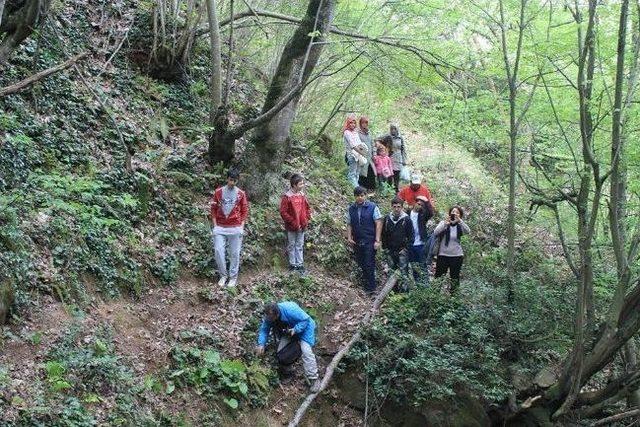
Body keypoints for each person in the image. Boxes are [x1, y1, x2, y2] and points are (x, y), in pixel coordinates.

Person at [256, 301, 321, 392]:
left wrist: (296, 329)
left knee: (306, 351)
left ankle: (314, 378)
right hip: (289, 332)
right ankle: (289, 372)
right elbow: (264, 330)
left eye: (272, 318)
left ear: (277, 314)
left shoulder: (290, 309)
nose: (270, 320)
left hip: (305, 329)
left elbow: (305, 320)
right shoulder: (269, 317)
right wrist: (261, 344)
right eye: (269, 318)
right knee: (281, 353)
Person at [210, 169, 249, 288]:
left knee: (235, 253)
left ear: (237, 181)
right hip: (220, 227)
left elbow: (244, 210)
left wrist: (241, 226)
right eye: (231, 180)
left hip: (235, 227)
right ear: (227, 179)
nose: (232, 183)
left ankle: (233, 277)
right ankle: (223, 275)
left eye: (235, 181)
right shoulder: (218, 192)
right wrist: (215, 225)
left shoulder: (241, 194)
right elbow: (213, 209)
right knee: (218, 250)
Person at [346, 186, 383, 296]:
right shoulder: (351, 209)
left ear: (365, 196)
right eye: (358, 196)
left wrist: (377, 240)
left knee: (369, 263)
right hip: (357, 240)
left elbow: (378, 223)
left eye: (362, 195)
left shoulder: (372, 207)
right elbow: (349, 224)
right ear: (355, 196)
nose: (360, 198)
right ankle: (366, 285)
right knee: (361, 262)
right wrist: (349, 237)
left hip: (370, 240)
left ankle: (372, 288)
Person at [279, 173, 312, 275]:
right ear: (294, 185)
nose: (302, 186)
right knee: (291, 244)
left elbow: (307, 208)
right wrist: (292, 221)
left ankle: (300, 264)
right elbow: (283, 212)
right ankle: (292, 264)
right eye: (300, 184)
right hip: (291, 226)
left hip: (302, 225)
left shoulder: (302, 195)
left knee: (299, 245)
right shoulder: (287, 197)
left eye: (303, 184)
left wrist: (306, 218)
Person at [433, 206, 470, 294]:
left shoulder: (460, 226)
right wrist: (446, 223)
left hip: (457, 256)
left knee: (455, 279)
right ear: (450, 213)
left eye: (457, 212)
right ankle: (434, 297)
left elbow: (468, 231)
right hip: (443, 255)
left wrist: (460, 221)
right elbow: (435, 232)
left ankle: (454, 299)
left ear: (460, 215)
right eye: (453, 212)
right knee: (438, 277)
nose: (455, 214)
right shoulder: (444, 223)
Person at [381, 197, 413, 291]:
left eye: (399, 207)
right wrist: (385, 247)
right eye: (394, 206)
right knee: (392, 271)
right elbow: (384, 234)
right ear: (391, 207)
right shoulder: (387, 218)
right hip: (390, 250)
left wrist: (406, 248)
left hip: (402, 250)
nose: (396, 209)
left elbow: (411, 236)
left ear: (402, 207)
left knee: (403, 271)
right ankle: (393, 292)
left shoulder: (406, 219)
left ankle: (404, 292)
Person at [408, 195, 434, 287]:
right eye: (418, 203)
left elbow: (431, 213)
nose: (420, 206)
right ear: (414, 203)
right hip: (410, 244)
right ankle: (419, 287)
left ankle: (425, 286)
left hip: (421, 244)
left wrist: (426, 202)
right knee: (414, 266)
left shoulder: (423, 214)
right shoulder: (407, 213)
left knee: (422, 266)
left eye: (422, 205)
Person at [343, 114, 363, 188]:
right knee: (352, 173)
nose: (353, 124)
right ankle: (356, 189)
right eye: (351, 122)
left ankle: (354, 190)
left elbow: (359, 143)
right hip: (352, 155)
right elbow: (352, 145)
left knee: (357, 173)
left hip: (359, 155)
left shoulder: (355, 132)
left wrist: (362, 151)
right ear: (348, 123)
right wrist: (361, 152)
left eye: (354, 123)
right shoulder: (346, 132)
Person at [357, 116, 377, 191]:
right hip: (362, 157)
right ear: (360, 123)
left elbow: (373, 144)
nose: (365, 124)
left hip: (370, 157)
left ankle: (371, 190)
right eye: (363, 122)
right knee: (362, 174)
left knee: (371, 173)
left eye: (366, 122)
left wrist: (374, 154)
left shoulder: (369, 133)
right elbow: (357, 145)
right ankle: (362, 190)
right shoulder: (358, 134)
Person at [388, 124, 407, 193]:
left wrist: (404, 160)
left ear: (397, 129)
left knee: (397, 174)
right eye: (391, 129)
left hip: (398, 158)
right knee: (389, 174)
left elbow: (403, 149)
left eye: (394, 129)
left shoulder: (400, 137)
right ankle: (389, 188)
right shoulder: (388, 137)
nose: (393, 130)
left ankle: (396, 188)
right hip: (390, 158)